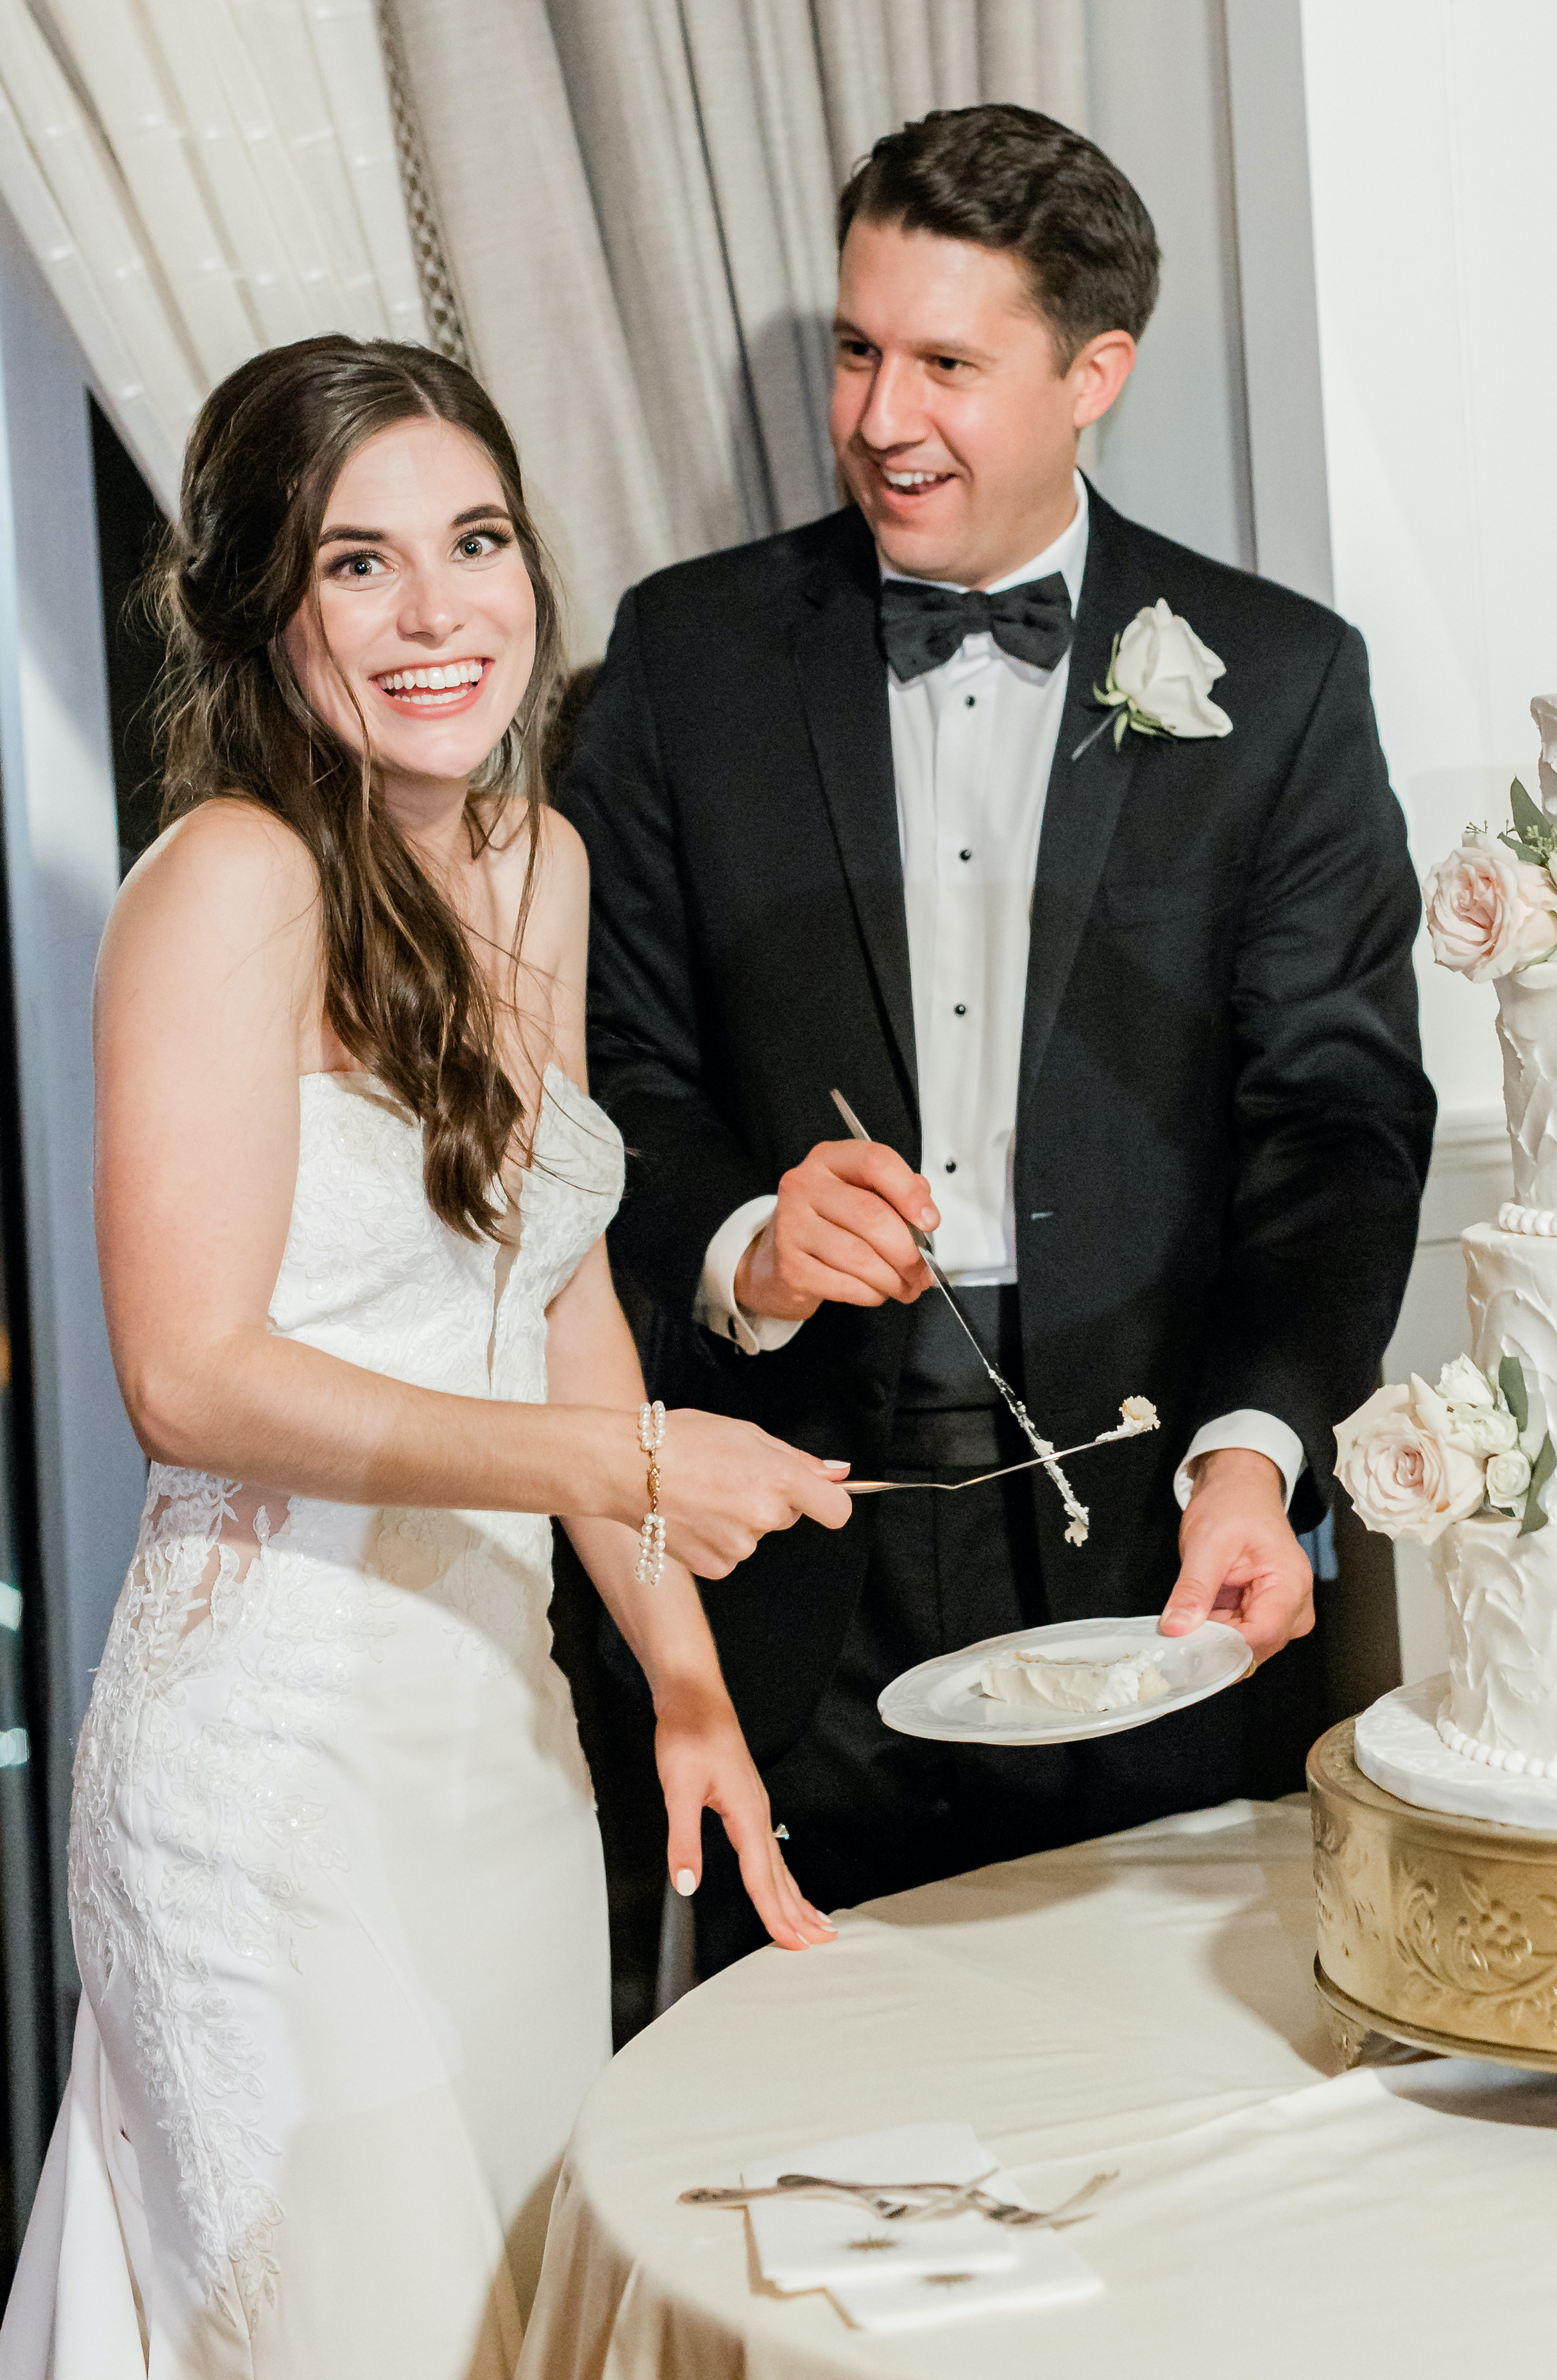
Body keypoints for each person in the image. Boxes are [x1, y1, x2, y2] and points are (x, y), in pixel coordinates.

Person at [0, 337, 851, 2380]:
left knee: (517, 2322)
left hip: (500, 1754)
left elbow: (546, 1286)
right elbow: (189, 1380)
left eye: (470, 542)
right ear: (265, 612)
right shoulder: (225, 884)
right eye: (357, 565)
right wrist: (634, 1471)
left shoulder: (530, 865)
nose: (436, 608)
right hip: (265, 1785)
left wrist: (683, 1682)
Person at [563, 103, 1433, 1976]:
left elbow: (1335, 1121)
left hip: (1158, 1564)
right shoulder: (684, 661)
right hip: (787, 1554)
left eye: (947, 362)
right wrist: (741, 1241)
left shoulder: (1278, 686)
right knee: (791, 2144)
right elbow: (609, 1068)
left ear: (1091, 372)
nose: (884, 415)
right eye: (858, 349)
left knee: (1170, 2118)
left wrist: (1253, 1450)